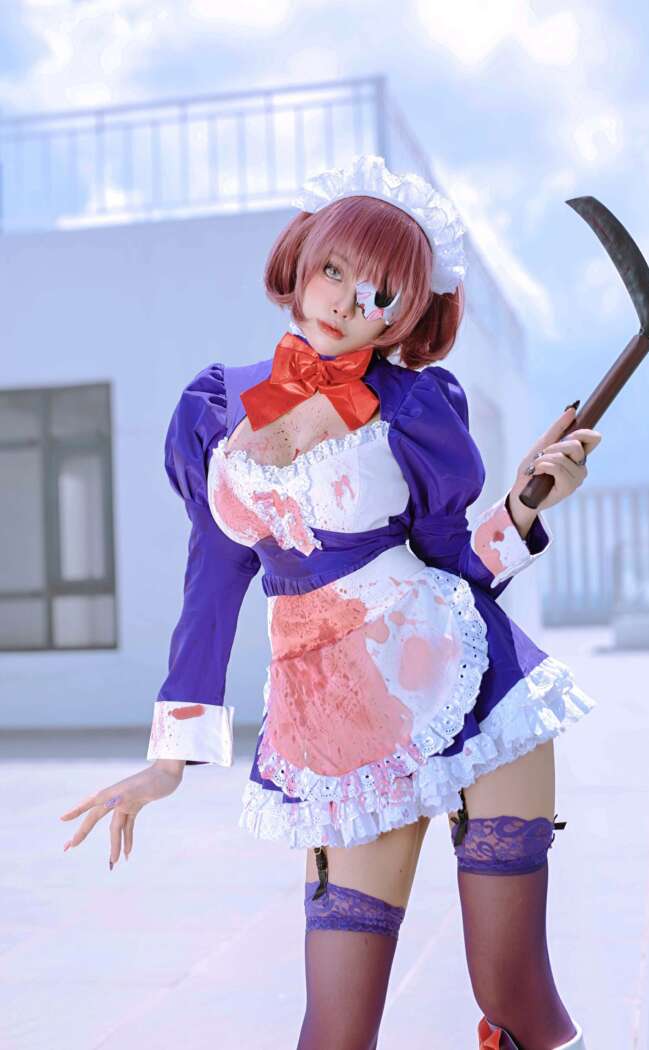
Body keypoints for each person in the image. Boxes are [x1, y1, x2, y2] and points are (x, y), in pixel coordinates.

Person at [59, 154, 600, 1049]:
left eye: (380, 293)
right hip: (339, 733)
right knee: (337, 1028)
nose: (347, 302)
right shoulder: (216, 408)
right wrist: (169, 761)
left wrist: (525, 505)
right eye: (336, 269)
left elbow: (455, 564)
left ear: (409, 315)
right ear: (302, 259)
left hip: (470, 687)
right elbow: (212, 581)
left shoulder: (416, 407)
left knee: (516, 995)